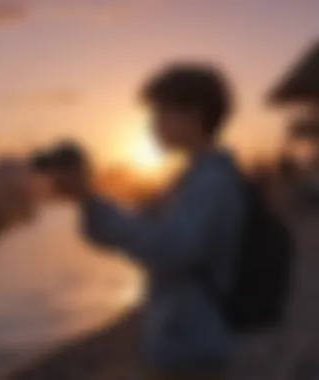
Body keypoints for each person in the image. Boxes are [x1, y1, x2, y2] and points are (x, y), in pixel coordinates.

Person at [56, 64, 246, 380]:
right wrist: (86, 198)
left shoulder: (211, 182)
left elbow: (171, 249)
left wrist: (94, 204)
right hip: (181, 338)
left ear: (193, 114)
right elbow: (137, 229)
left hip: (191, 348)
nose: (151, 125)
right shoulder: (190, 179)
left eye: (160, 113)